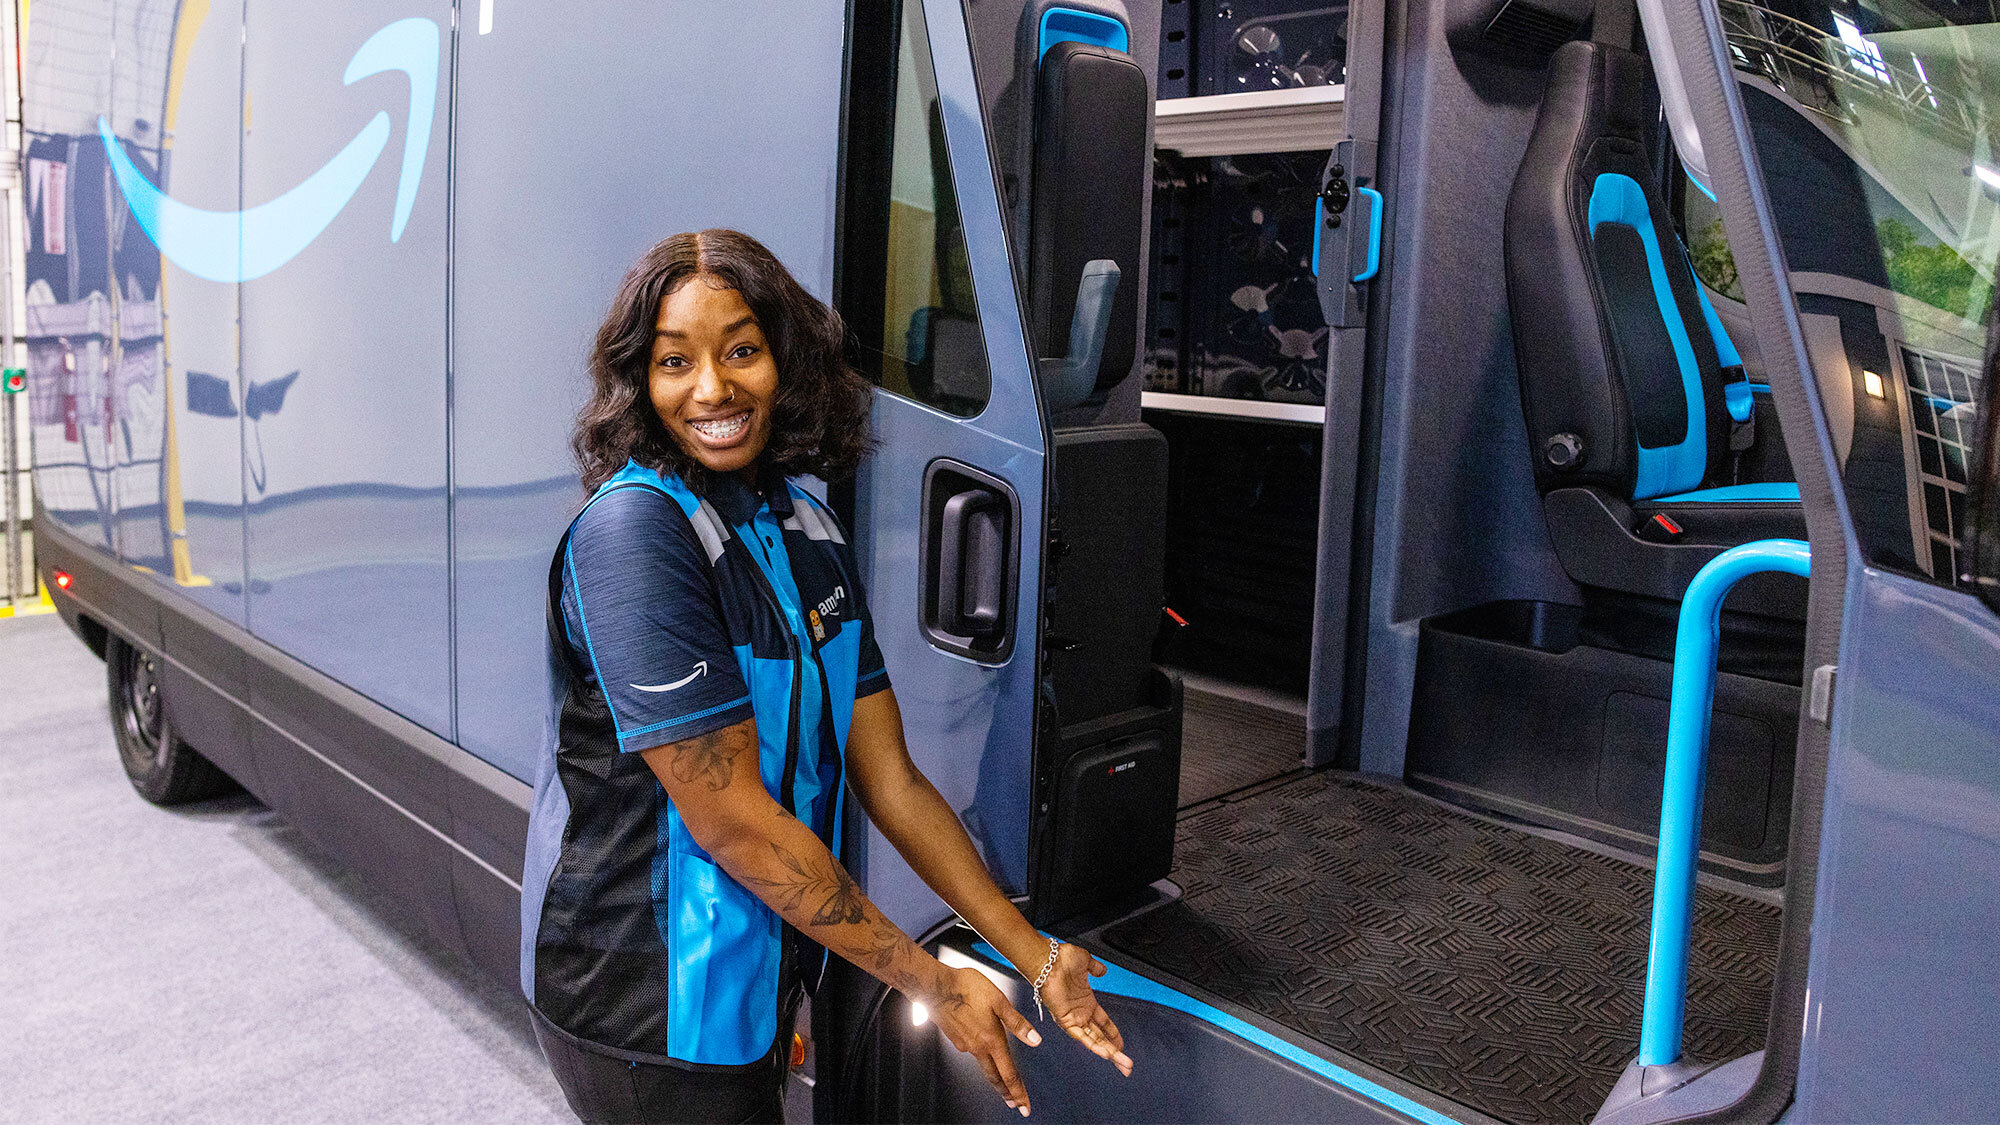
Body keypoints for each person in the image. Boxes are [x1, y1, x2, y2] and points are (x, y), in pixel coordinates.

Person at [520, 229, 1133, 1124]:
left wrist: (1033, 953)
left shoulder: (804, 524)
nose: (712, 388)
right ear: (639, 383)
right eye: (673, 361)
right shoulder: (636, 538)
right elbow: (736, 827)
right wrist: (935, 983)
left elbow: (893, 779)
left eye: (741, 350)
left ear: (783, 357)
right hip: (642, 1005)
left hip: (753, 983)